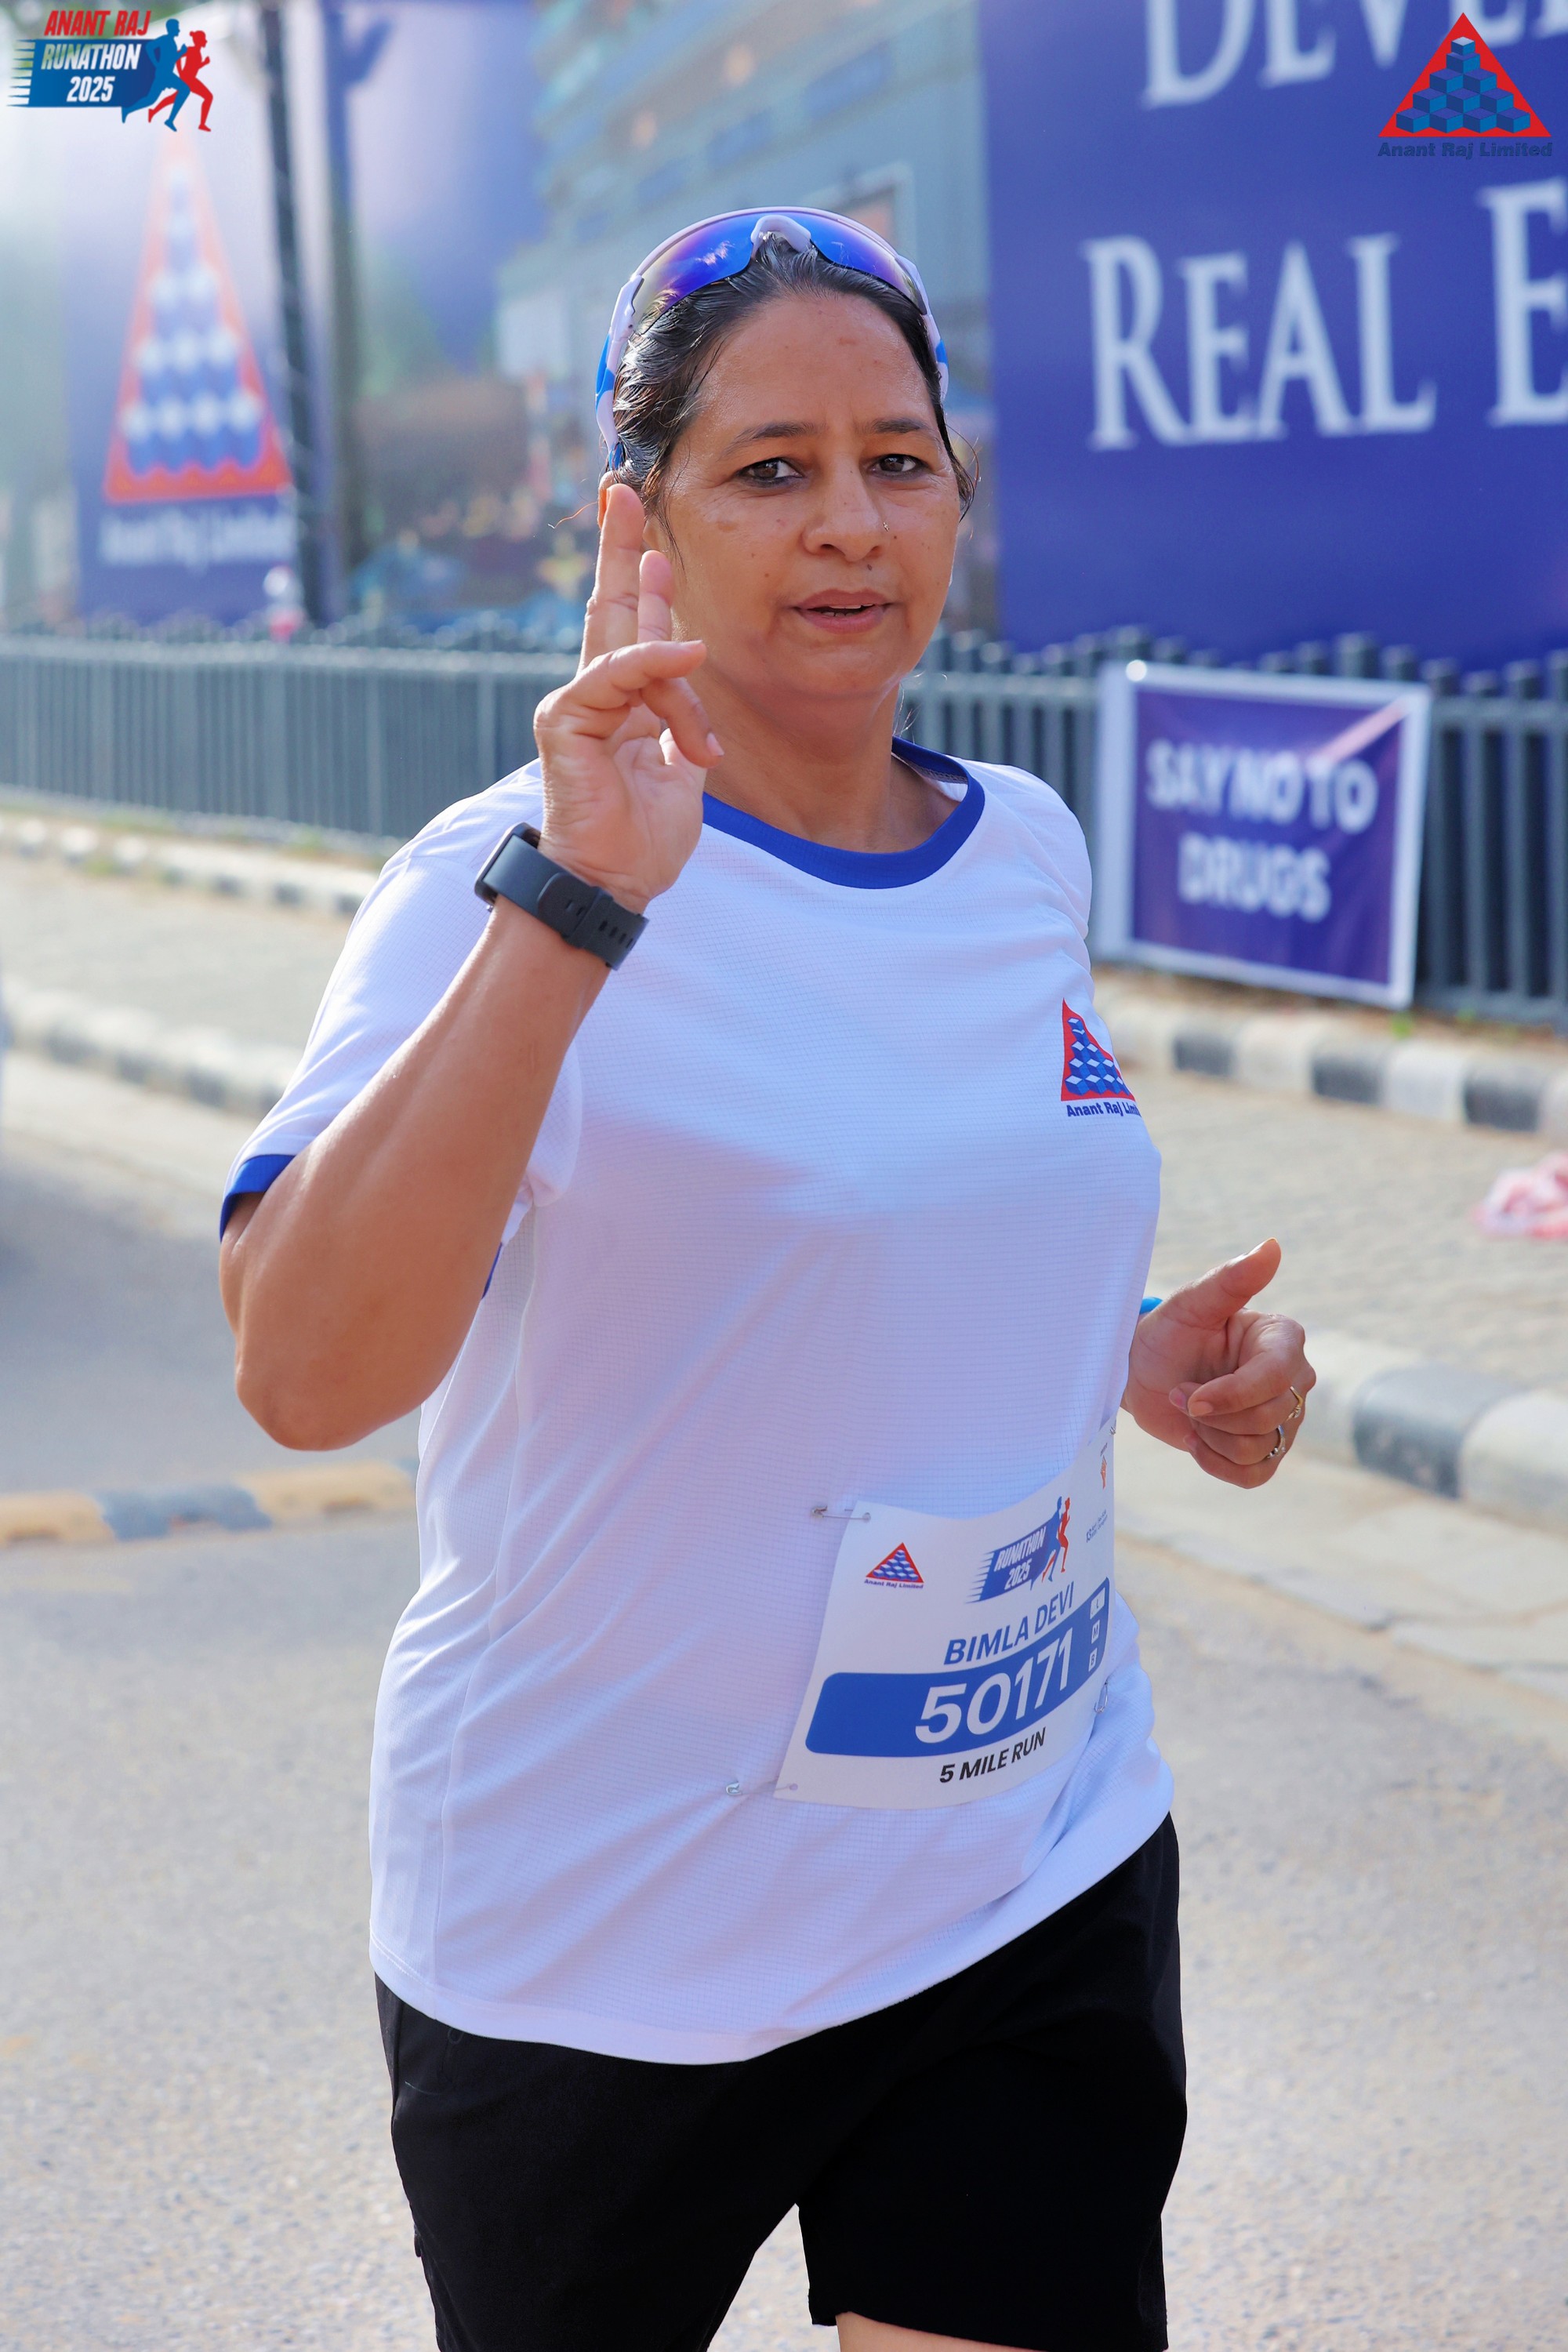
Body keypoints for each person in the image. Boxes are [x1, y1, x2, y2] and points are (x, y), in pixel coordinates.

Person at [220, 209, 1315, 2352]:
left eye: (899, 461)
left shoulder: (1026, 849)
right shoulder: (487, 881)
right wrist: (579, 900)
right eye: (770, 468)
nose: (849, 524)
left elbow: (886, 1221)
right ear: (637, 521)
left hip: (1023, 1865)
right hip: (606, 1934)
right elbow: (302, 1371)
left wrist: (1136, 1354)